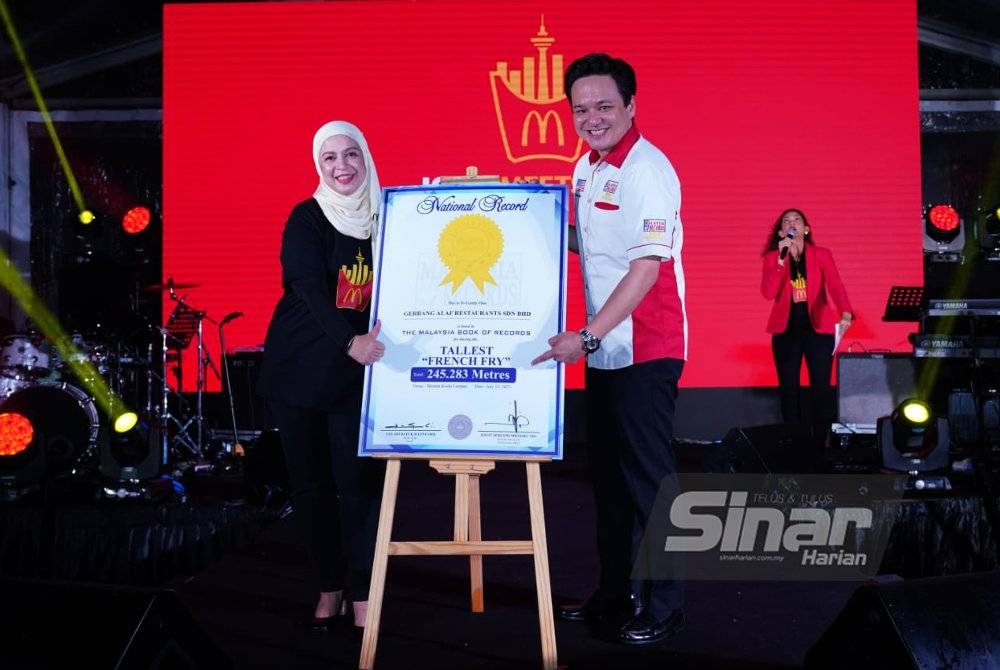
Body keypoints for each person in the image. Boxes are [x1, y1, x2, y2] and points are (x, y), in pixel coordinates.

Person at [532, 53, 687, 645]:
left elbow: (646, 268)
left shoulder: (649, 169)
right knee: (608, 482)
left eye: (603, 106)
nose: (591, 118)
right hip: (603, 350)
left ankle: (666, 604)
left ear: (630, 106)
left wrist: (588, 334)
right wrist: (519, 214)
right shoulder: (587, 167)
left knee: (650, 480)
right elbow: (584, 241)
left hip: (647, 346)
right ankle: (614, 593)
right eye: (580, 109)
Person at [257, 120, 386, 634]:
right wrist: (349, 341)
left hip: (356, 375)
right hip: (301, 369)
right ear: (318, 165)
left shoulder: (387, 216)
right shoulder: (306, 217)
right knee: (311, 489)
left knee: (357, 487)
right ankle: (328, 587)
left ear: (366, 157)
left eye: (351, 155)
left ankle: (360, 592)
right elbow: (307, 289)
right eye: (329, 159)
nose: (341, 168)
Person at [760, 208, 853, 434]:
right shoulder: (773, 257)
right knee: (789, 389)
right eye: (786, 221)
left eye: (797, 219)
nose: (792, 223)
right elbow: (768, 292)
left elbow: (835, 284)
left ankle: (820, 439)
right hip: (786, 331)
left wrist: (846, 312)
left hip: (817, 329)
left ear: (806, 229)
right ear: (782, 232)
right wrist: (781, 260)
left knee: (820, 387)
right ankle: (792, 439)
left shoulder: (821, 254)